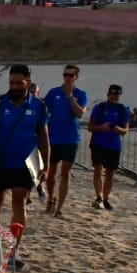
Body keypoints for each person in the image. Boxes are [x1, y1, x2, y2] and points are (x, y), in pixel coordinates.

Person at [0, 64, 50, 237]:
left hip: (24, 163)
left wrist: (46, 165)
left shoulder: (39, 107)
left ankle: (14, 248)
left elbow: (44, 139)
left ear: (28, 82)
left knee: (19, 201)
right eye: (11, 83)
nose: (14, 87)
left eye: (18, 83)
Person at [42, 64, 88, 216]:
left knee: (65, 173)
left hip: (70, 138)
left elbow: (80, 113)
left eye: (70, 75)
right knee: (50, 172)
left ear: (76, 77)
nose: (67, 78)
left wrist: (70, 98)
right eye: (65, 75)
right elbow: (43, 110)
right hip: (53, 138)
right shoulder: (53, 92)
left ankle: (60, 208)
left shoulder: (80, 94)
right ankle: (50, 198)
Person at [87, 84, 129, 210]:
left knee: (110, 173)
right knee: (98, 169)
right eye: (112, 94)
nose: (114, 97)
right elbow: (90, 127)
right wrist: (102, 127)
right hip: (98, 143)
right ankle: (98, 197)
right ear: (108, 94)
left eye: (116, 95)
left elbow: (126, 129)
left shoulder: (122, 110)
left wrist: (119, 129)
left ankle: (105, 198)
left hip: (114, 145)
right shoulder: (99, 107)